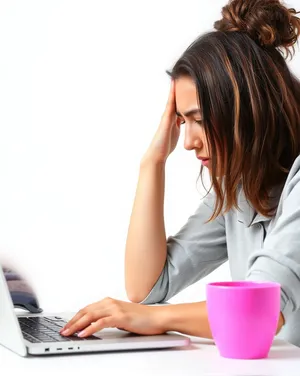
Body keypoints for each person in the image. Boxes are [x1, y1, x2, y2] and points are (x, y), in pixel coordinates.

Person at [60, 0, 300, 347]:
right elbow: (147, 287)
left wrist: (153, 318)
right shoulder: (241, 190)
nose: (187, 142)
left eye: (200, 120)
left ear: (248, 108)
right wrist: (153, 162)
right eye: (182, 121)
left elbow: (260, 310)